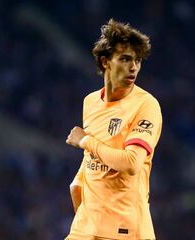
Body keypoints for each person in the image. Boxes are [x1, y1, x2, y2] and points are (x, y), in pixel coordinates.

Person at [65, 19, 162, 240]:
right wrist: (79, 184)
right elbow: (93, 157)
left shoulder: (146, 105)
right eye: (125, 59)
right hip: (86, 227)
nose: (133, 67)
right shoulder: (90, 102)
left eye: (137, 60)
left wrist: (84, 141)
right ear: (105, 61)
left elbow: (131, 163)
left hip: (125, 229)